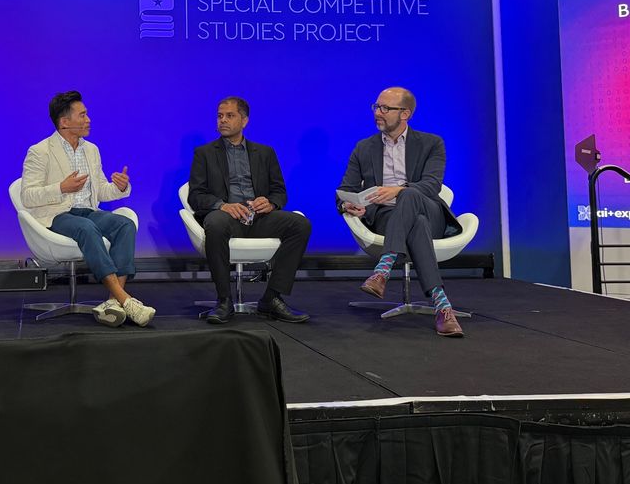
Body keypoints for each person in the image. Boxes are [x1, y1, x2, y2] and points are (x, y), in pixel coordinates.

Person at [337, 86, 465, 337]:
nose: (378, 113)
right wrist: (347, 204)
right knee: (415, 224)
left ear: (405, 113)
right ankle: (442, 305)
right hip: (386, 217)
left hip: (429, 211)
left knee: (411, 195)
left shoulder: (431, 143)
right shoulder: (364, 147)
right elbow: (344, 189)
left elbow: (431, 185)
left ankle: (383, 269)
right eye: (376, 107)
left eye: (385, 108)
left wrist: (397, 190)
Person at [20, 91, 155, 327]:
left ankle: (113, 302)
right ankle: (126, 300)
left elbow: (101, 190)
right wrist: (61, 188)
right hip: (57, 214)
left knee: (125, 224)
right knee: (87, 228)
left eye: (87, 114)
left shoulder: (91, 150)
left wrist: (119, 187)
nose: (88, 119)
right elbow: (27, 196)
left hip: (88, 210)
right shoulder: (40, 151)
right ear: (64, 122)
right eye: (82, 115)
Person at [187, 97, 312, 324]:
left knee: (300, 224)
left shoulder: (265, 153)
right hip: (227, 218)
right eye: (219, 116)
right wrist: (223, 205)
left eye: (229, 116)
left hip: (259, 218)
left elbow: (279, 191)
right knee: (214, 223)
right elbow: (195, 196)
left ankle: (272, 298)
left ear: (244, 120)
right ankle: (224, 301)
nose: (222, 120)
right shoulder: (204, 153)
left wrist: (271, 203)